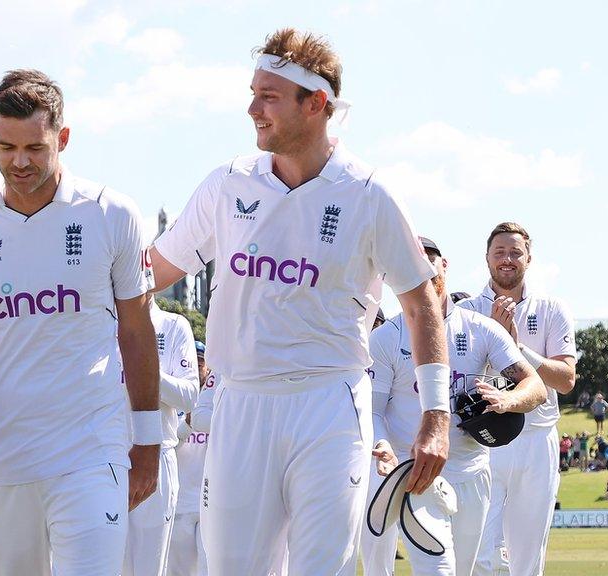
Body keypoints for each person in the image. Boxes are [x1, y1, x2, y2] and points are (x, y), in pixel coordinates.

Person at [144, 29, 450, 575]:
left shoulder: (367, 193)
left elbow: (421, 304)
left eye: (268, 96)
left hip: (328, 403)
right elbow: (154, 270)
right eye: (253, 92)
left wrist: (436, 416)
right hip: (241, 404)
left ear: (317, 105)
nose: (252, 108)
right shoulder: (228, 184)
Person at [0, 69, 160, 575]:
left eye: (34, 148)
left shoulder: (111, 214)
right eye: (6, 148)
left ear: (62, 138)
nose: (19, 162)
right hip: (3, 458)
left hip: (92, 452)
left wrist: (149, 439)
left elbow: (136, 332)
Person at [364, 236, 545, 576]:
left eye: (430, 270)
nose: (423, 281)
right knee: (438, 569)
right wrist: (383, 445)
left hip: (473, 473)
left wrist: (508, 400)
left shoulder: (482, 330)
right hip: (415, 474)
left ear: (444, 266)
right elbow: (372, 410)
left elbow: (534, 385)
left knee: (464, 570)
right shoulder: (386, 338)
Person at [459, 222, 577, 576]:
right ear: (487, 259)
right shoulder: (464, 311)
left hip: (536, 438)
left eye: (515, 253)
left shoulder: (552, 308)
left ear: (528, 258)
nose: (507, 260)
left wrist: (515, 347)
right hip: (482, 441)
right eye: (500, 253)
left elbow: (567, 380)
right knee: (479, 555)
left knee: (527, 558)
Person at [125, 299, 200, 576]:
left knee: (149, 569)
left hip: (157, 457)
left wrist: (141, 369)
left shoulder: (173, 325)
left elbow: (189, 396)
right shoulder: (99, 323)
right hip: (104, 457)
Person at [167, 341, 211, 576]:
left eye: (201, 364)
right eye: (193, 364)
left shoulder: (217, 402)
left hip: (210, 505)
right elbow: (168, 445)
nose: (197, 369)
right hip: (180, 506)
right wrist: (188, 424)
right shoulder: (175, 401)